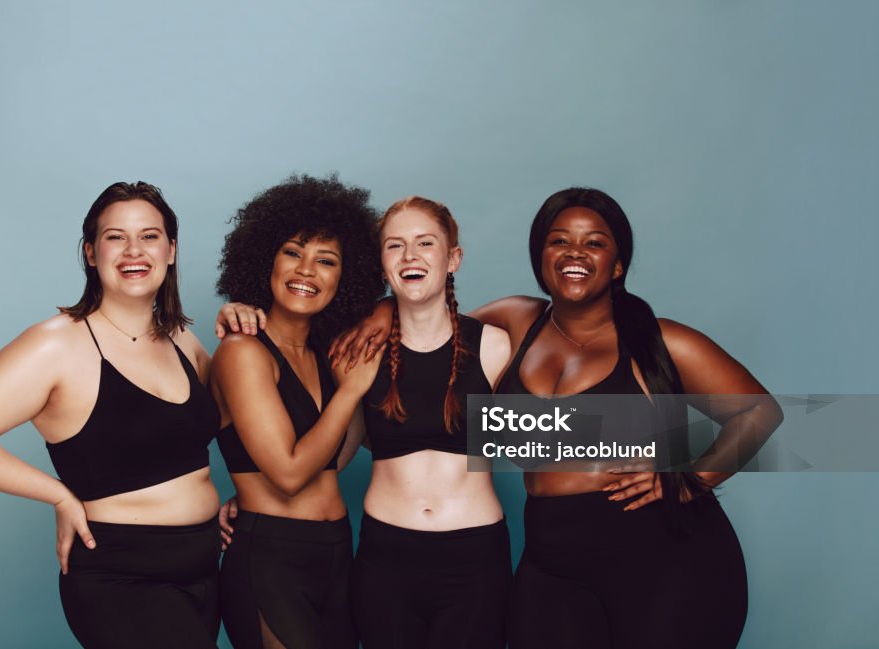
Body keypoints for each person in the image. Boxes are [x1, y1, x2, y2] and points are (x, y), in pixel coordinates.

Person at [330, 187, 783, 649]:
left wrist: (690, 478)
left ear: (619, 264)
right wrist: (385, 310)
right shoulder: (516, 320)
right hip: (553, 557)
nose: (575, 253)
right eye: (559, 240)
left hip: (663, 553)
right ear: (540, 257)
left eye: (595, 243)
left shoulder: (660, 339)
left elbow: (761, 412)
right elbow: (430, 324)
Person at [0, 182, 223, 649]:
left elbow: (230, 425)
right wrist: (60, 496)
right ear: (90, 252)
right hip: (123, 580)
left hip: (206, 572)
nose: (133, 250)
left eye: (149, 236)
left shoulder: (183, 341)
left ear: (171, 250)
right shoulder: (55, 345)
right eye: (115, 237)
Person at [211, 174, 385, 649]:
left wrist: (384, 313)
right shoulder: (243, 352)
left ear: (344, 278)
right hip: (271, 558)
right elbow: (288, 474)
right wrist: (351, 393)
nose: (306, 270)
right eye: (293, 252)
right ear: (266, 258)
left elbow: (335, 457)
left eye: (326, 261)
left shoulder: (325, 354)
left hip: (335, 553)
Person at [350, 196, 513, 648]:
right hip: (384, 558)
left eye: (425, 243)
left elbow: (549, 436)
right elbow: (331, 449)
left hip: (475, 558)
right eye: (394, 246)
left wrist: (663, 448)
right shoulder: (360, 348)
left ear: (453, 258)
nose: (410, 257)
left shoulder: (495, 347)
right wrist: (255, 500)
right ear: (382, 264)